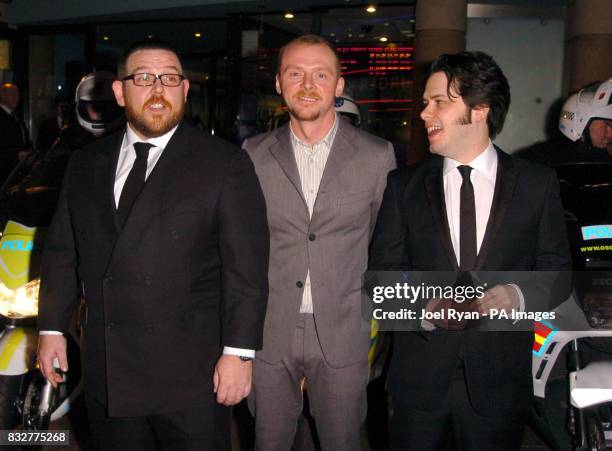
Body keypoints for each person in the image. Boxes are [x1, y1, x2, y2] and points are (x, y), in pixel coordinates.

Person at [36, 38, 269, 451]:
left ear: (184, 89)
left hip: (192, 373)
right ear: (120, 92)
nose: (158, 89)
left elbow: (246, 269)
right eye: (144, 78)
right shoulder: (85, 164)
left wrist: (240, 353)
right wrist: (52, 326)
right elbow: (62, 251)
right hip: (109, 366)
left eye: (170, 78)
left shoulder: (223, 163)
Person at [369, 51, 571, 451]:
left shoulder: (536, 184)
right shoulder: (403, 186)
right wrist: (422, 308)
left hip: (499, 382)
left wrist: (517, 295)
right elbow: (380, 276)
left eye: (438, 101)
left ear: (479, 110)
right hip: (419, 382)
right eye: (425, 103)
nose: (425, 113)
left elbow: (558, 272)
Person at [243, 35, 396, 451]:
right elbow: (241, 250)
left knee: (342, 442)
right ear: (278, 83)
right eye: (295, 73)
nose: (307, 84)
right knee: (269, 442)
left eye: (320, 74)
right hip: (269, 330)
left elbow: (387, 244)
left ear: (339, 85)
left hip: (344, 328)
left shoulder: (377, 155)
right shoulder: (251, 155)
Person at [0, 83, 30, 182]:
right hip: (4, 173)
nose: (17, 98)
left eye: (18, 95)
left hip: (16, 171)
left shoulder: (16, 117)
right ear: (3, 96)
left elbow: (24, 140)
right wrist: (15, 154)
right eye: (14, 94)